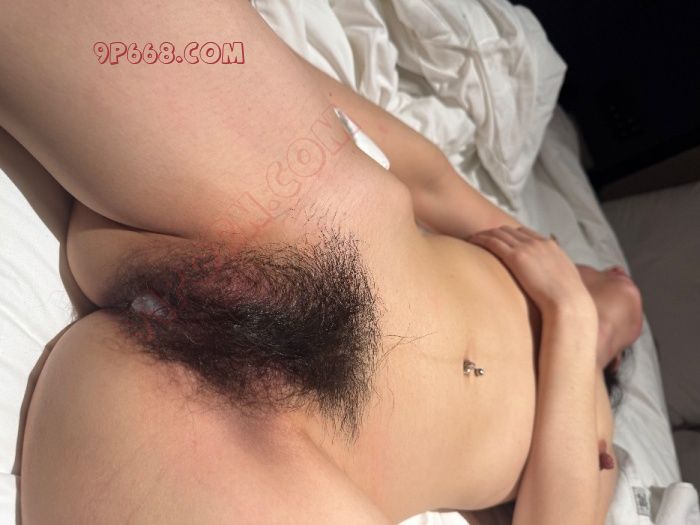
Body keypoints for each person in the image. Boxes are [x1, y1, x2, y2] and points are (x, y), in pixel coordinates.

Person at [0, 1, 641, 523]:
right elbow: (433, 179)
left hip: (278, 445)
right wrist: (252, 61)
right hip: (300, 202)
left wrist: (573, 312)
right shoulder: (527, 248)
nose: (620, 275)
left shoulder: (596, 425)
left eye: (625, 290)